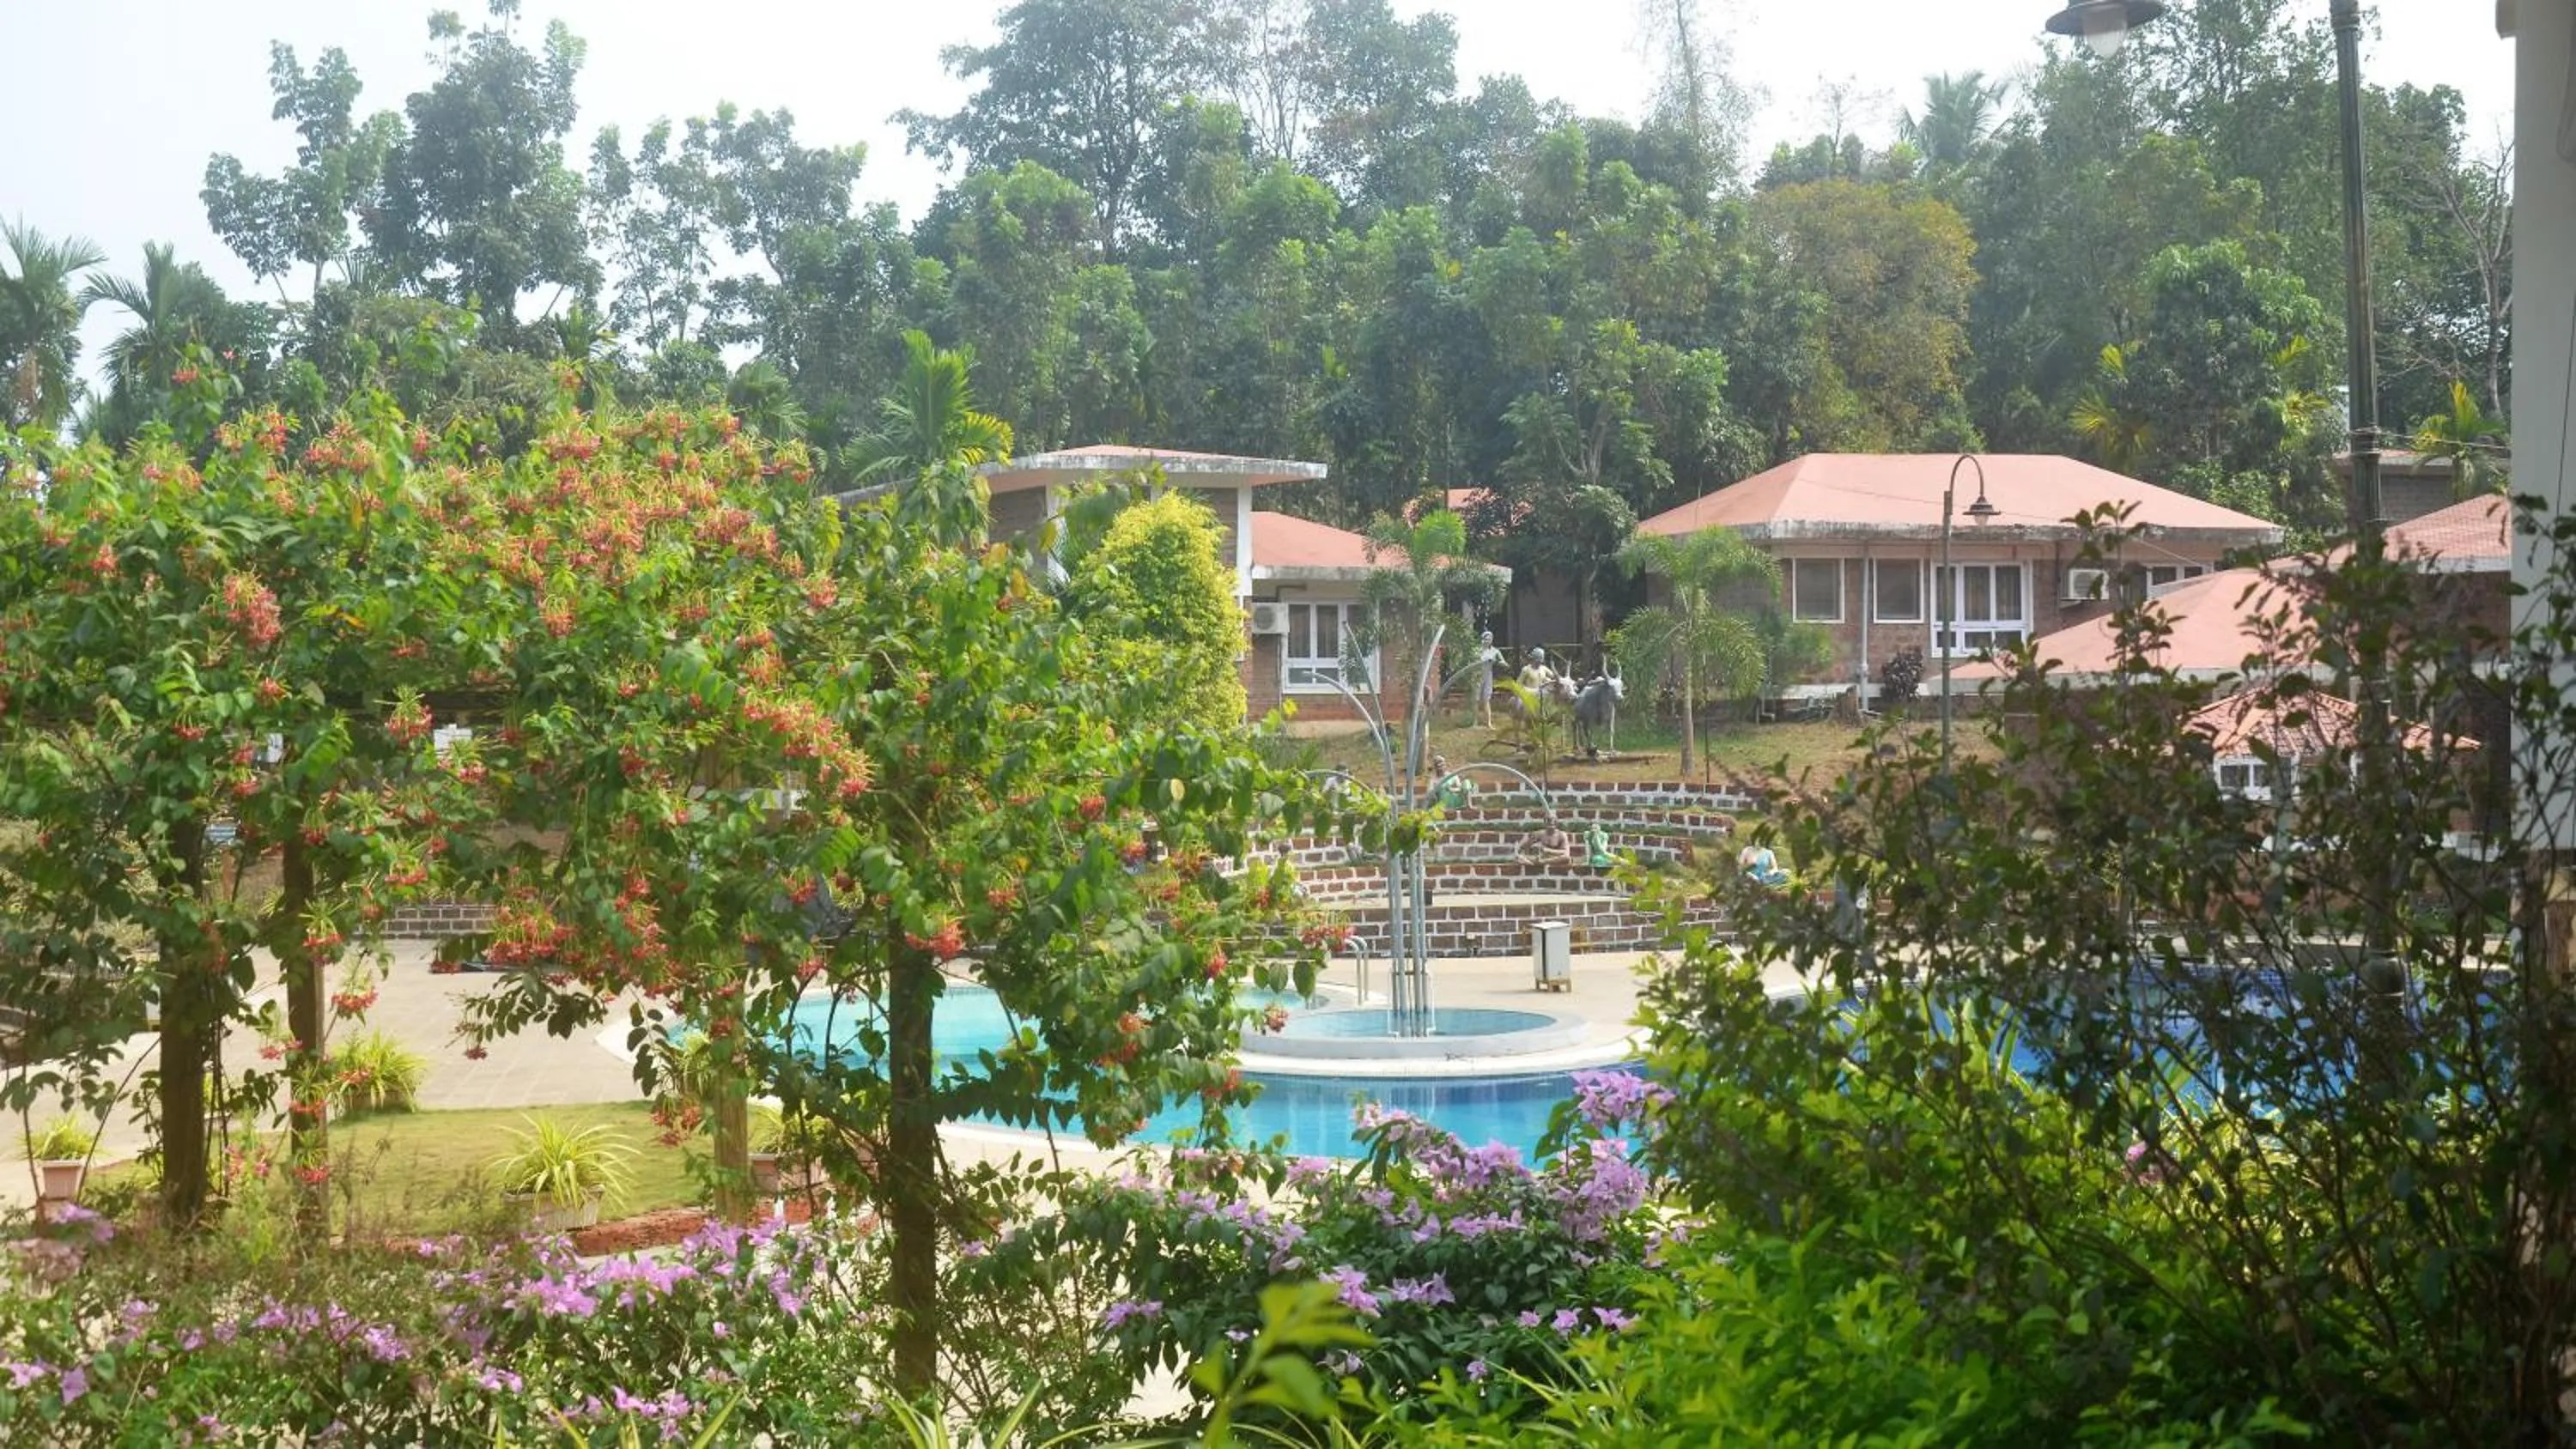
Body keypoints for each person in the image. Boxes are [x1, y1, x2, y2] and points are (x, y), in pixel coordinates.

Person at [1472, 631, 1504, 727]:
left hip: (1488, 675)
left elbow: (1503, 662)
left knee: (1486, 699)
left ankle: (1488, 722)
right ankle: (1474, 722)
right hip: (1477, 675)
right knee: (1476, 699)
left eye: (1489, 639)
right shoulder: (1477, 650)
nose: (1487, 641)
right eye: (1485, 639)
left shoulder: (1495, 651)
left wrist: (1496, 661)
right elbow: (1471, 661)